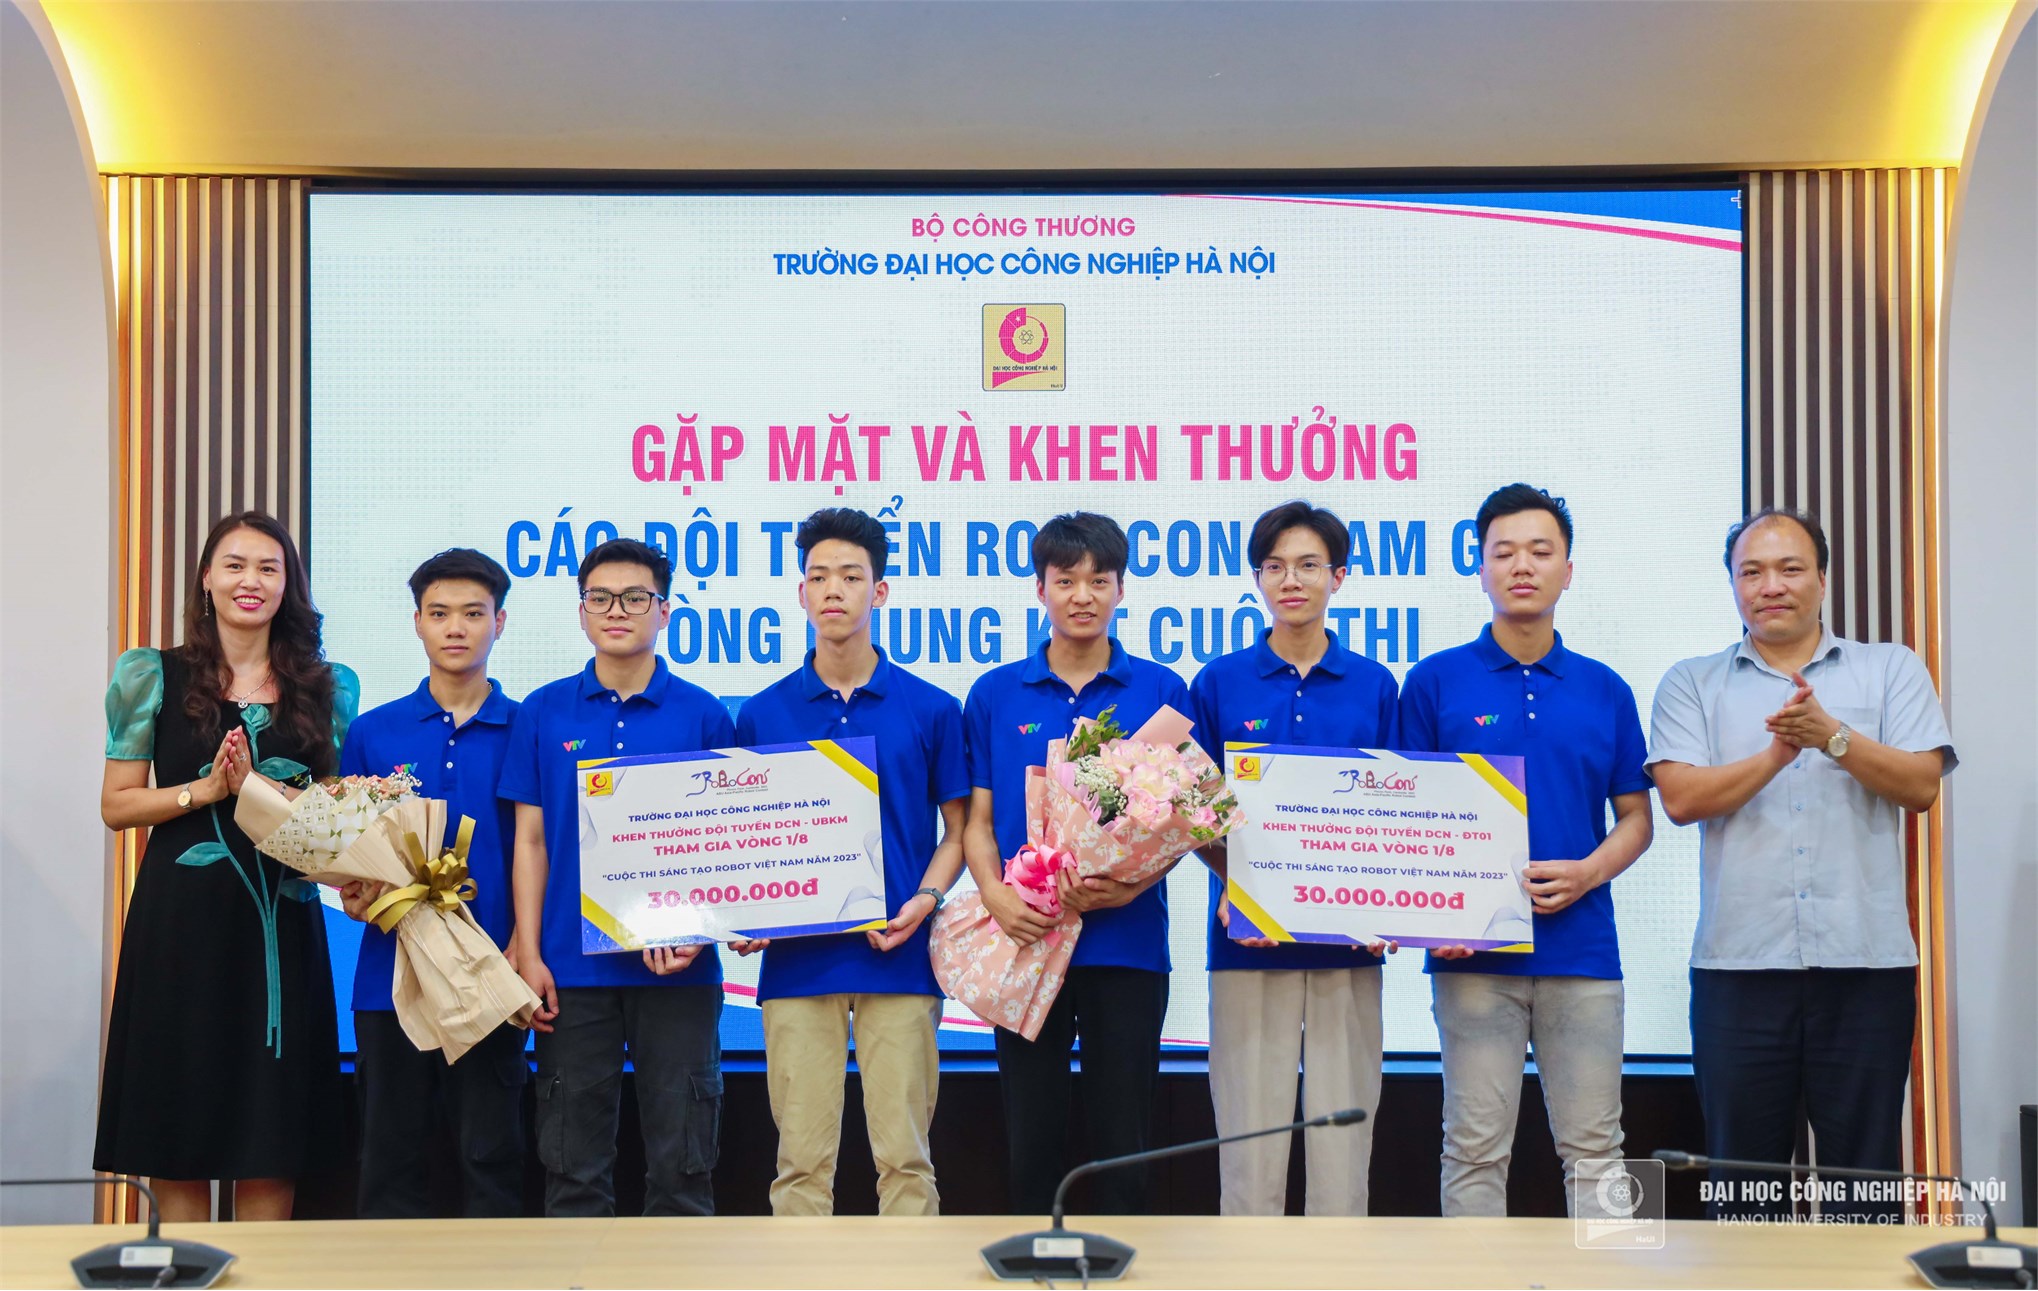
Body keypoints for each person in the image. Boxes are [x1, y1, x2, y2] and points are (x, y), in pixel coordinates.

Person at [1647, 508, 1955, 1223]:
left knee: (1864, 1184)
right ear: (1732, 584)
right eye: (1751, 572)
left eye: (1789, 568)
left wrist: (1833, 737)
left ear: (1822, 577)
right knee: (1744, 1187)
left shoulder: (1889, 668)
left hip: (1866, 967)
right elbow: (1682, 798)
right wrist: (1777, 755)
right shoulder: (1693, 681)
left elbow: (1921, 786)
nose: (1770, 586)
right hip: (1738, 969)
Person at [1396, 484, 1654, 1218]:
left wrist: (1589, 872)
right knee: (1473, 1148)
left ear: (1568, 570)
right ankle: (1474, 1276)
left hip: (1584, 953)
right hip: (1474, 959)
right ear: (1479, 569)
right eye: (1503, 552)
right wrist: (1434, 920)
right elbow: (1406, 817)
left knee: (1600, 1147)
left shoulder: (1605, 688)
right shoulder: (1435, 681)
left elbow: (1637, 818)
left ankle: (1612, 1273)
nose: (1522, 566)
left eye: (1541, 551)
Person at [96, 510, 358, 1221]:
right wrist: (207, 790)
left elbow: (332, 824)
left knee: (271, 1135)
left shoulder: (328, 687)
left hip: (281, 933)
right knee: (179, 1129)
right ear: (207, 577)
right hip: (180, 929)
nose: (251, 580)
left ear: (288, 584)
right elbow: (117, 805)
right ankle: (185, 1268)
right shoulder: (151, 674)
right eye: (235, 565)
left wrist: (260, 792)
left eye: (269, 568)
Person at [730, 508, 968, 1216]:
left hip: (900, 957)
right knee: (800, 1168)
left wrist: (925, 901)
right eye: (819, 576)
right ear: (801, 593)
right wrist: (745, 911)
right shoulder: (763, 714)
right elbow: (742, 839)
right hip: (798, 965)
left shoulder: (931, 708)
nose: (833, 589)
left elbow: (958, 831)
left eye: (851, 576)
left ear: (880, 591)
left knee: (907, 1163)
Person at [961, 511, 1192, 1216]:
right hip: (1027, 939)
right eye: (1066, 580)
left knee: (1124, 1133)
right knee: (1032, 1131)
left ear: (1122, 588)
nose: (1082, 595)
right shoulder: (995, 693)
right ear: (1041, 588)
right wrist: (996, 896)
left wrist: (1128, 886)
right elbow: (976, 822)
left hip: (1126, 946)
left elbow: (1181, 824)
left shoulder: (1160, 690)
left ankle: (1126, 1258)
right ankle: (1037, 1257)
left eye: (1099, 580)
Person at [500, 538, 733, 1217]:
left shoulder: (704, 713)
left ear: (665, 611)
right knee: (572, 1168)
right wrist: (529, 951)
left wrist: (700, 931)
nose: (617, 610)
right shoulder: (543, 711)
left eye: (635, 597)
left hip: (679, 972)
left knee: (683, 1171)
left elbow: (728, 846)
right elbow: (531, 840)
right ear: (581, 612)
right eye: (600, 598)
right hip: (571, 973)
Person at [1188, 501, 1399, 1216]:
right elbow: (1189, 809)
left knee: (1344, 1151)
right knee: (1249, 1156)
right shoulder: (1220, 683)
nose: (1291, 580)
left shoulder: (1375, 684)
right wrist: (1235, 879)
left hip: (1349, 945)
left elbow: (1401, 809)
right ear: (1257, 578)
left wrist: (1392, 900)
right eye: (1274, 566)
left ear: (1338, 576)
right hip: (1247, 944)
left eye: (1309, 565)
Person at [335, 548, 525, 1219]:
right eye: (439, 613)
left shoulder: (527, 728)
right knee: (389, 1161)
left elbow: (542, 849)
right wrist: (354, 891)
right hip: (390, 980)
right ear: (416, 622)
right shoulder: (373, 731)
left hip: (490, 973)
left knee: (492, 1161)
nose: (456, 628)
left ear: (500, 622)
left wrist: (523, 951)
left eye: (473, 613)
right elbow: (347, 855)